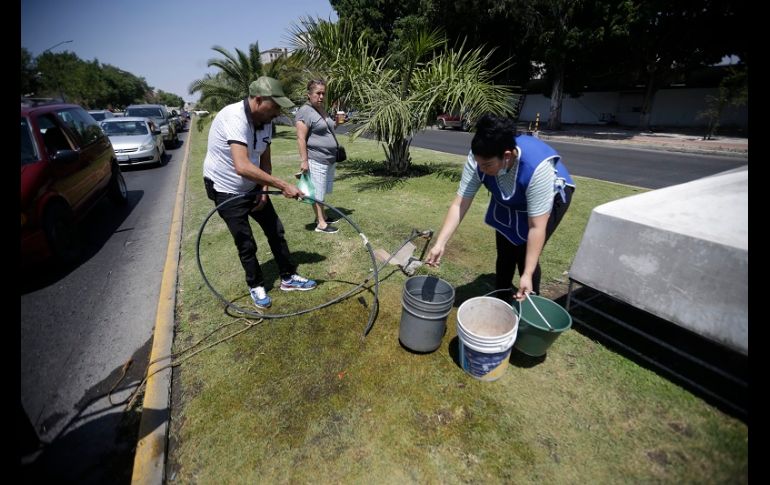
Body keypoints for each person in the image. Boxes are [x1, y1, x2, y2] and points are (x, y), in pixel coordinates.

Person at [425, 113, 575, 301]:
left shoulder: (537, 170)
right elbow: (460, 203)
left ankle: (528, 303)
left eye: (486, 165)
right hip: (509, 192)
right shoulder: (480, 157)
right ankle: (501, 299)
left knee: (524, 251)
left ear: (506, 156)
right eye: (479, 164)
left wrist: (527, 274)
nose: (481, 169)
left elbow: (536, 227)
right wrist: (440, 243)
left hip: (551, 193)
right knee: (505, 246)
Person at [203, 76, 317, 310]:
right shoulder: (234, 117)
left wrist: (264, 190)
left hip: (253, 185)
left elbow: (264, 161)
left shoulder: (266, 121)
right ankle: (255, 284)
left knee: (276, 230)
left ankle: (288, 277)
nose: (277, 112)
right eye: (274, 106)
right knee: (245, 242)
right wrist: (282, 185)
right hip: (226, 189)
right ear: (257, 100)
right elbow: (242, 166)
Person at [294, 79, 340, 233]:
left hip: (328, 158)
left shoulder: (320, 109)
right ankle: (321, 224)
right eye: (318, 93)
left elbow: (326, 128)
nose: (321, 96)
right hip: (316, 158)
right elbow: (301, 138)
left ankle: (323, 216)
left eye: (323, 93)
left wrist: (338, 123)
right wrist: (304, 161)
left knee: (321, 190)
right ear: (309, 94)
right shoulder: (305, 111)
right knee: (316, 192)